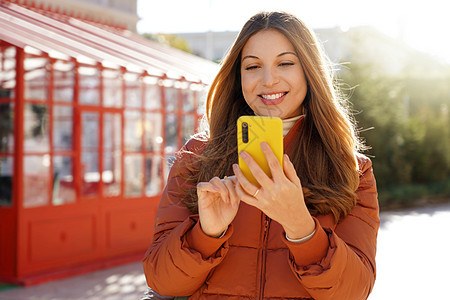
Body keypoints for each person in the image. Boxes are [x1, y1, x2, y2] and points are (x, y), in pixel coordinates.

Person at [143, 11, 379, 300]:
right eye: (253, 66)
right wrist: (206, 234)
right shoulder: (197, 156)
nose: (268, 80)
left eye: (285, 63)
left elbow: (354, 292)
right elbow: (161, 281)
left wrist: (300, 226)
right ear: (238, 76)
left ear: (309, 71)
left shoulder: (352, 169)